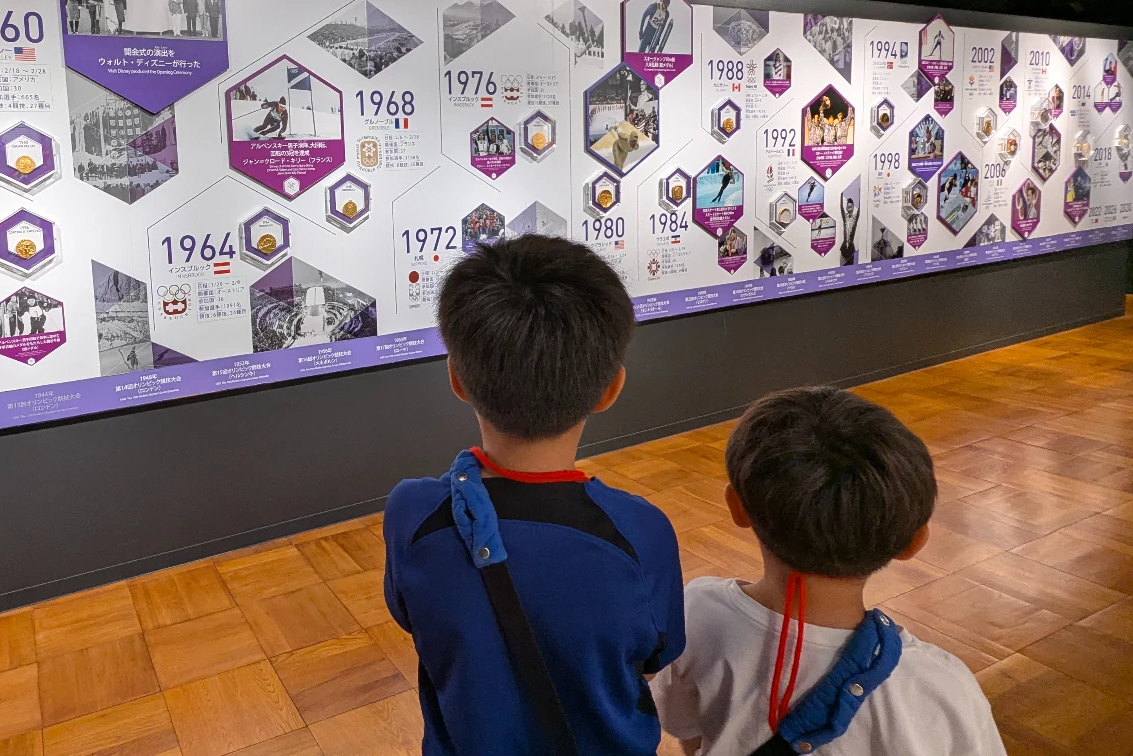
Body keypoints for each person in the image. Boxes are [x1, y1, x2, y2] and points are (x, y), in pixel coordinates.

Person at [384, 234, 685, 756]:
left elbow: (408, 613)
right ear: (611, 388)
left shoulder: (412, 514)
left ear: (456, 378)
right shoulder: (641, 532)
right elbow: (657, 653)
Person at [650, 388, 1004, 755]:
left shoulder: (694, 612)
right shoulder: (942, 686)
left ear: (737, 508)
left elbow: (688, 734)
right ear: (913, 543)